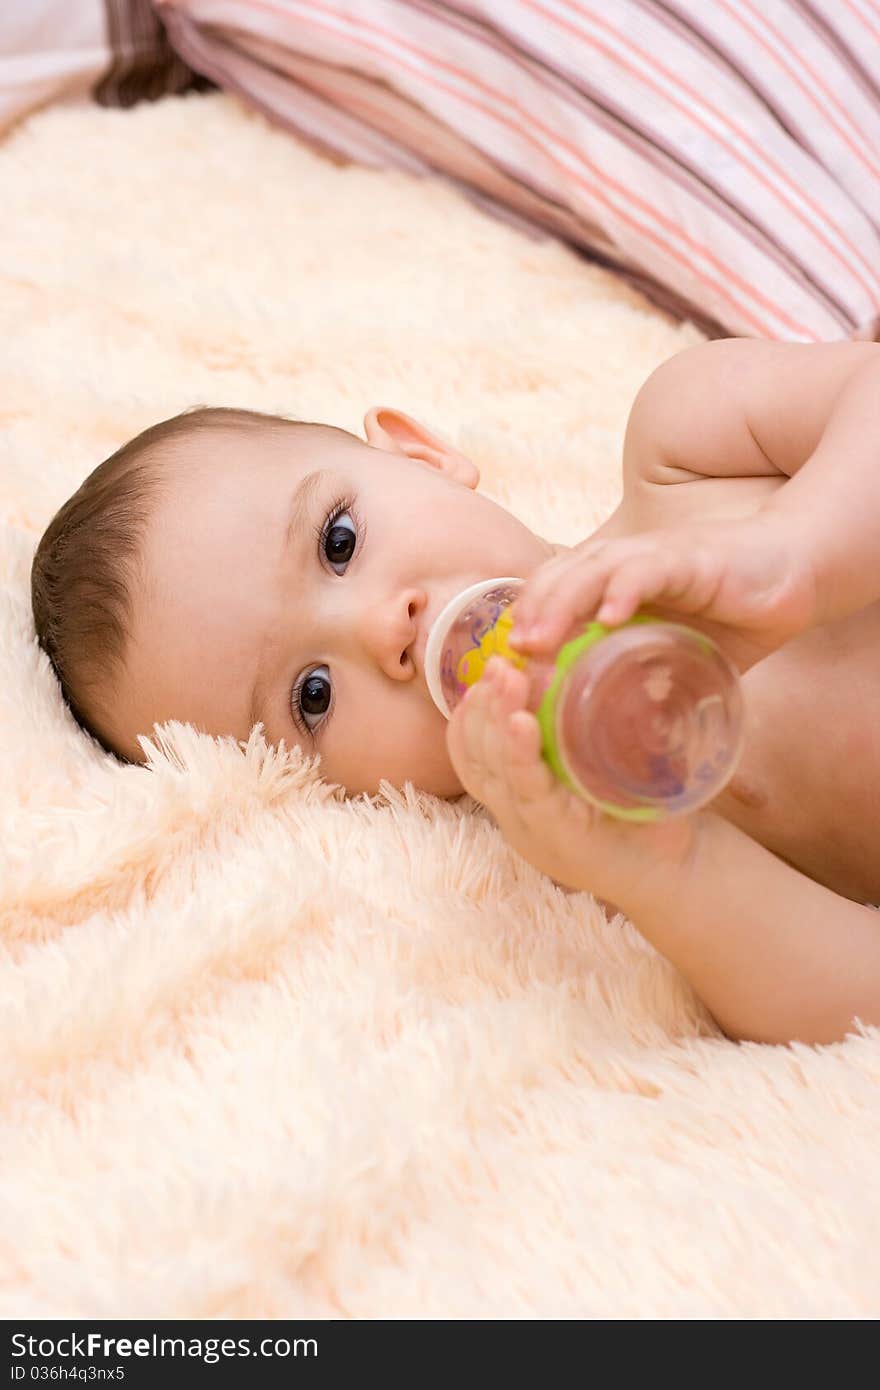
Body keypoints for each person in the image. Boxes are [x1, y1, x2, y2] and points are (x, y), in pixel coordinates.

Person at [30, 338, 880, 1045]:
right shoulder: (589, 853)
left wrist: (794, 556)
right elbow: (859, 1002)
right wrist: (674, 871)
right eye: (313, 697)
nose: (382, 631)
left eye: (338, 541)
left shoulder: (686, 452)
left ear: (421, 453)